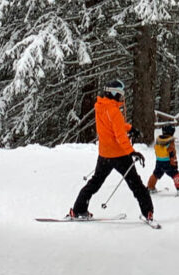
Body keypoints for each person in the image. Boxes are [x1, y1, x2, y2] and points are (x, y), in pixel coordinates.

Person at [66, 80, 155, 222]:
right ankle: (148, 213)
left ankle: (78, 209)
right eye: (120, 94)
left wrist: (130, 128)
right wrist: (132, 152)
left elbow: (113, 125)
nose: (122, 98)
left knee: (94, 182)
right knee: (136, 185)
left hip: (104, 155)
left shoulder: (101, 107)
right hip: (120, 155)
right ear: (114, 93)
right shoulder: (114, 111)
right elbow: (119, 135)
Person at [146, 123, 179, 194]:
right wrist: (174, 163)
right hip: (168, 162)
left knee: (155, 174)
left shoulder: (158, 141)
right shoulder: (170, 142)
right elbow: (172, 153)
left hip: (159, 161)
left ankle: (150, 187)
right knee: (175, 174)